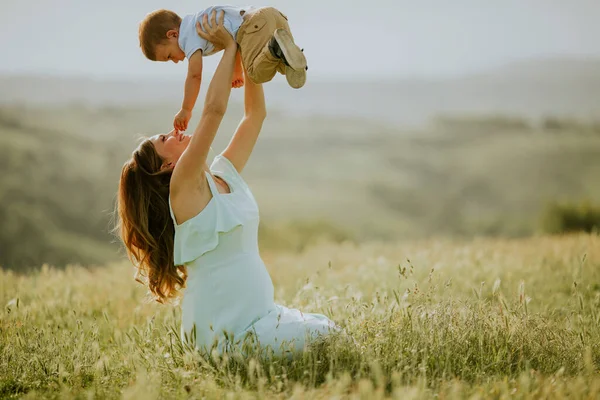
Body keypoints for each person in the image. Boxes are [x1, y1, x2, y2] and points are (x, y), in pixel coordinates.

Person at [117, 11, 334, 357]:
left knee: (327, 334)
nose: (172, 132)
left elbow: (254, 116)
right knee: (326, 341)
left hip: (260, 317)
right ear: (167, 166)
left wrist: (249, 55)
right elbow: (214, 111)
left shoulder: (223, 174)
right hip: (222, 331)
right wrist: (229, 46)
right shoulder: (182, 188)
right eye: (164, 138)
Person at [138, 5, 308, 132]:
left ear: (173, 34)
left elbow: (195, 75)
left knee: (255, 74)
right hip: (272, 16)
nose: (175, 61)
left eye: (169, 56)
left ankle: (274, 48)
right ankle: (288, 57)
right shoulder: (197, 22)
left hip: (253, 27)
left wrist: (186, 109)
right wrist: (236, 71)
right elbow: (236, 40)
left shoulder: (187, 38)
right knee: (278, 64)